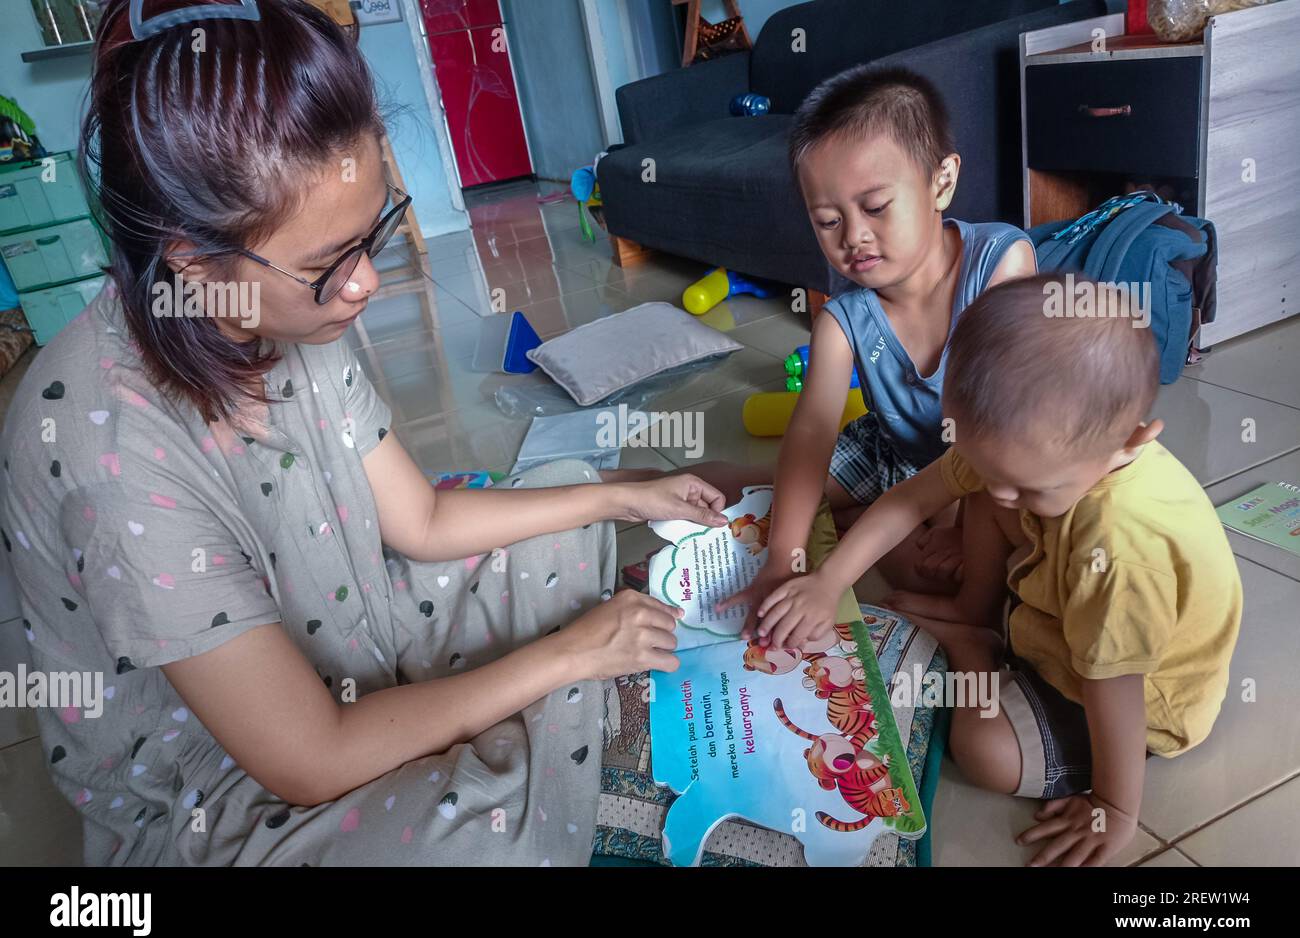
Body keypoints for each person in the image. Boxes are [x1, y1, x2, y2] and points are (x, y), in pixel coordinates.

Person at [0, 0, 726, 866]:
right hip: (221, 783)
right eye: (325, 266)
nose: (365, 286)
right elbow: (312, 759)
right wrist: (571, 657)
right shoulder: (108, 446)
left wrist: (620, 492)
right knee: (465, 844)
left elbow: (418, 521)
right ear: (192, 264)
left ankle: (488, 722)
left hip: (353, 628)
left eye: (370, 237)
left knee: (556, 515)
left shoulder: (282, 316)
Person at [754, 275, 1242, 865]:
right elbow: (913, 499)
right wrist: (828, 581)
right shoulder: (1031, 445)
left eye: (1032, 489)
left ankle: (971, 644)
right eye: (994, 470)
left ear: (1130, 444)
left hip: (1139, 699)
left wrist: (1113, 808)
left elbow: (1114, 689)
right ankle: (972, 611)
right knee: (982, 489)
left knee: (982, 752)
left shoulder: (1121, 549)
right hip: (1067, 620)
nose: (1006, 499)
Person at [713, 65, 1037, 635]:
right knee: (763, 493)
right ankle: (627, 486)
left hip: (984, 462)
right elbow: (811, 434)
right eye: (828, 221)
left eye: (876, 207)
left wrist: (962, 526)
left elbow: (1004, 435)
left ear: (941, 183)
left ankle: (869, 524)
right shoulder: (843, 319)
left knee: (963, 574)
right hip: (890, 450)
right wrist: (784, 558)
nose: (853, 236)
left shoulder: (1000, 267)